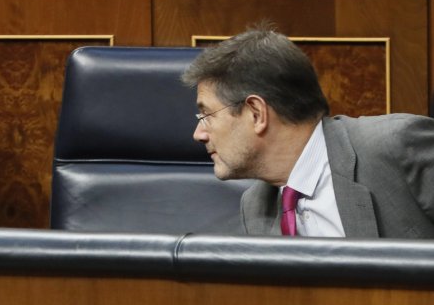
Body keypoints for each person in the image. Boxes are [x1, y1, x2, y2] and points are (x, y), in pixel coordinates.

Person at [182, 24, 434, 238]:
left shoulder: (396, 146)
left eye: (207, 115)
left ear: (257, 114)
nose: (198, 134)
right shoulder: (256, 206)